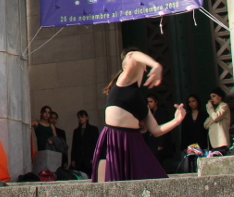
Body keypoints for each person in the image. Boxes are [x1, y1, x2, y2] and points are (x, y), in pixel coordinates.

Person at [94, 49, 185, 182]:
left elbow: (156, 130)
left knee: (155, 178)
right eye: (142, 65)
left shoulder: (141, 101)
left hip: (133, 141)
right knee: (109, 184)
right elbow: (132, 55)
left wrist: (177, 120)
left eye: (144, 66)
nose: (143, 69)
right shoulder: (124, 81)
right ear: (126, 68)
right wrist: (157, 65)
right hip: (115, 138)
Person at [144, 96, 177, 167]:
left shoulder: (162, 112)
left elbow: (163, 127)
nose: (149, 104)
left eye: (151, 102)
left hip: (159, 143)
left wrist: (160, 144)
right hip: (151, 143)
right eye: (148, 102)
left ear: (156, 102)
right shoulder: (150, 113)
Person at [70, 111, 100, 176]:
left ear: (87, 118)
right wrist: (73, 159)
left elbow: (96, 144)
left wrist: (93, 157)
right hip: (79, 159)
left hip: (89, 159)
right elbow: (74, 146)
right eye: (79, 117)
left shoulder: (93, 129)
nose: (81, 119)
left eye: (82, 117)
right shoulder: (76, 131)